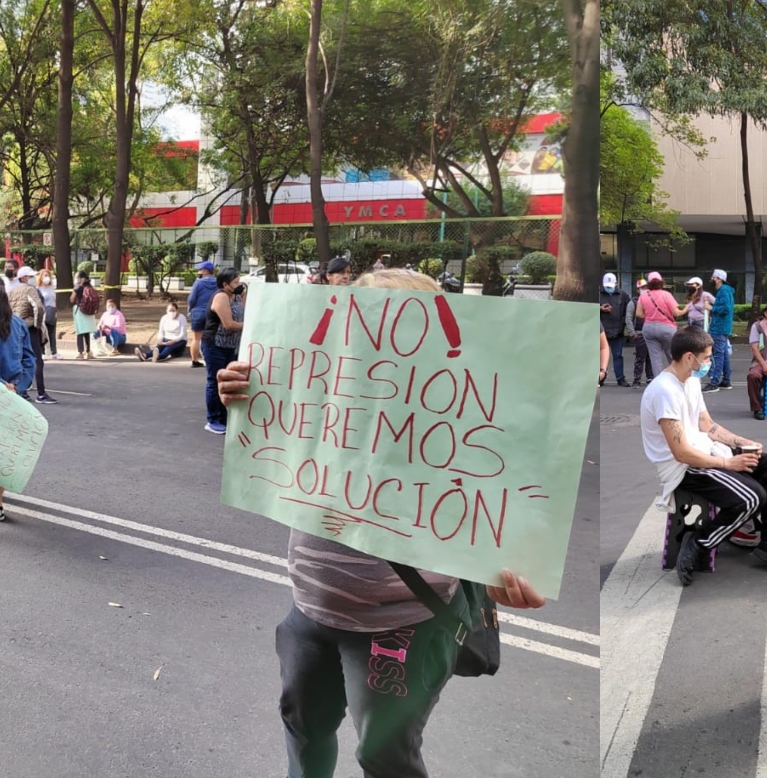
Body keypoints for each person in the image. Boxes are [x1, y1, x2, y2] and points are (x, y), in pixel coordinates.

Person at [214, 268, 546, 778]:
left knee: (386, 758)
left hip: (405, 625)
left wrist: (505, 574)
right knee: (303, 731)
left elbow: (494, 514)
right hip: (311, 611)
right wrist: (248, 392)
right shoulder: (318, 395)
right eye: (363, 326)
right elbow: (270, 444)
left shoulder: (459, 418)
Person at [641, 325, 767, 586]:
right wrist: (729, 463)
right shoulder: (664, 391)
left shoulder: (691, 382)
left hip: (705, 450)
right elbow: (681, 452)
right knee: (752, 497)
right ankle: (700, 541)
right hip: (683, 467)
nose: (709, 362)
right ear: (689, 357)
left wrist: (740, 442)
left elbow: (706, 424)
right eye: (706, 357)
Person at [0, 287, 36, 521]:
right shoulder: (18, 324)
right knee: (4, 451)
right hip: (13, 398)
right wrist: (16, 387)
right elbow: (29, 360)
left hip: (5, 391)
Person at [201, 268, 245, 434]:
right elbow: (229, 324)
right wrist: (251, 325)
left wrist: (243, 293)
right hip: (214, 344)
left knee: (227, 382)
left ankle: (225, 417)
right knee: (214, 381)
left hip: (229, 345)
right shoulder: (221, 296)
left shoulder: (236, 296)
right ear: (225, 284)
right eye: (235, 283)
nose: (239, 285)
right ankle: (213, 419)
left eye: (239, 281)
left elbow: (244, 313)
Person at [8, 266, 55, 403]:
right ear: (23, 278)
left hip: (15, 328)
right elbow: (38, 307)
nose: (33, 279)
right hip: (29, 328)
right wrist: (37, 324)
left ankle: (21, 391)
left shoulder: (13, 291)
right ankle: (41, 394)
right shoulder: (30, 289)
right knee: (37, 361)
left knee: (20, 360)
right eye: (30, 276)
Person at [634, 271, 686, 377]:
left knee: (655, 359)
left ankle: (659, 382)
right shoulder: (666, 295)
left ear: (649, 283)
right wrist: (687, 308)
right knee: (672, 355)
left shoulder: (644, 296)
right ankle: (677, 378)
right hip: (667, 328)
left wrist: (650, 315)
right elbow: (676, 313)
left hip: (649, 328)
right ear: (662, 282)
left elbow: (639, 314)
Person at [704, 269, 735, 392]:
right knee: (723, 354)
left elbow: (725, 309)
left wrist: (711, 308)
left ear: (719, 279)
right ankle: (726, 380)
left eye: (713, 277)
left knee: (718, 355)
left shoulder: (723, 291)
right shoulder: (726, 290)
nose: (711, 279)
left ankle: (714, 382)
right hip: (722, 327)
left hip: (719, 327)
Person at [600, 272, 631, 386]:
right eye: (606, 286)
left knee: (617, 355)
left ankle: (620, 378)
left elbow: (628, 310)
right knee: (601, 355)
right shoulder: (599, 294)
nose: (608, 288)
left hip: (617, 330)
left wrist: (623, 323)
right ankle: (601, 377)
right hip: (602, 330)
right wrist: (600, 308)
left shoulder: (622, 295)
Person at [187, 261, 218, 368]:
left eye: (200, 270)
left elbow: (191, 299)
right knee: (211, 338)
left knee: (196, 338)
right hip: (212, 312)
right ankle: (210, 359)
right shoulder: (217, 283)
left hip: (198, 312)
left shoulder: (198, 283)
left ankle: (194, 361)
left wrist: (190, 309)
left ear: (205, 271)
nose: (199, 272)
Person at [626, 278, 655, 387]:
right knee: (640, 358)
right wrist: (632, 333)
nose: (645, 290)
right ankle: (636, 379)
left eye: (646, 287)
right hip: (639, 333)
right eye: (642, 288)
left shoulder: (652, 300)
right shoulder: (633, 303)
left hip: (651, 333)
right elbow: (628, 318)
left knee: (651, 357)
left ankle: (650, 377)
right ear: (638, 290)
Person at [69, 271, 97, 359]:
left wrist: (74, 291)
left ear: (80, 278)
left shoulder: (77, 287)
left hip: (79, 310)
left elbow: (72, 300)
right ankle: (88, 351)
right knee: (86, 332)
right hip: (89, 311)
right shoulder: (90, 287)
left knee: (80, 332)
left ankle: (80, 352)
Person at [35, 268, 59, 360]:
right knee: (42, 333)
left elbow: (54, 300)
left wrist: (56, 311)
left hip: (52, 312)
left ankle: (54, 352)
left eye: (48, 275)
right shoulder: (38, 289)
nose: (47, 277)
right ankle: (42, 352)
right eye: (45, 275)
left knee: (52, 333)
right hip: (43, 313)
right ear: (41, 277)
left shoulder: (51, 288)